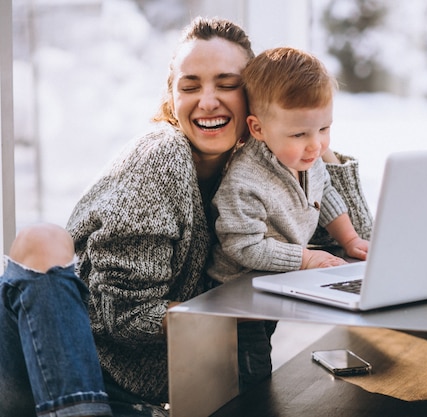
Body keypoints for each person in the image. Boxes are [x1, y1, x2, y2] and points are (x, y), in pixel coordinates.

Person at [0, 16, 372, 417]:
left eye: (227, 85)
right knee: (42, 238)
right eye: (190, 86)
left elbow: (356, 244)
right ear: (172, 97)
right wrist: (222, 312)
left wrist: (312, 136)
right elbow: (123, 316)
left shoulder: (259, 167)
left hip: (148, 397)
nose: (207, 100)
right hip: (70, 375)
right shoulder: (162, 157)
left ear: (254, 103)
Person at [208, 46, 369, 284]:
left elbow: (324, 193)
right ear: (258, 129)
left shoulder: (307, 158)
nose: (316, 145)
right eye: (299, 134)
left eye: (324, 129)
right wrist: (305, 259)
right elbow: (244, 246)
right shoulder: (244, 182)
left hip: (288, 278)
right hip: (241, 286)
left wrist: (351, 240)